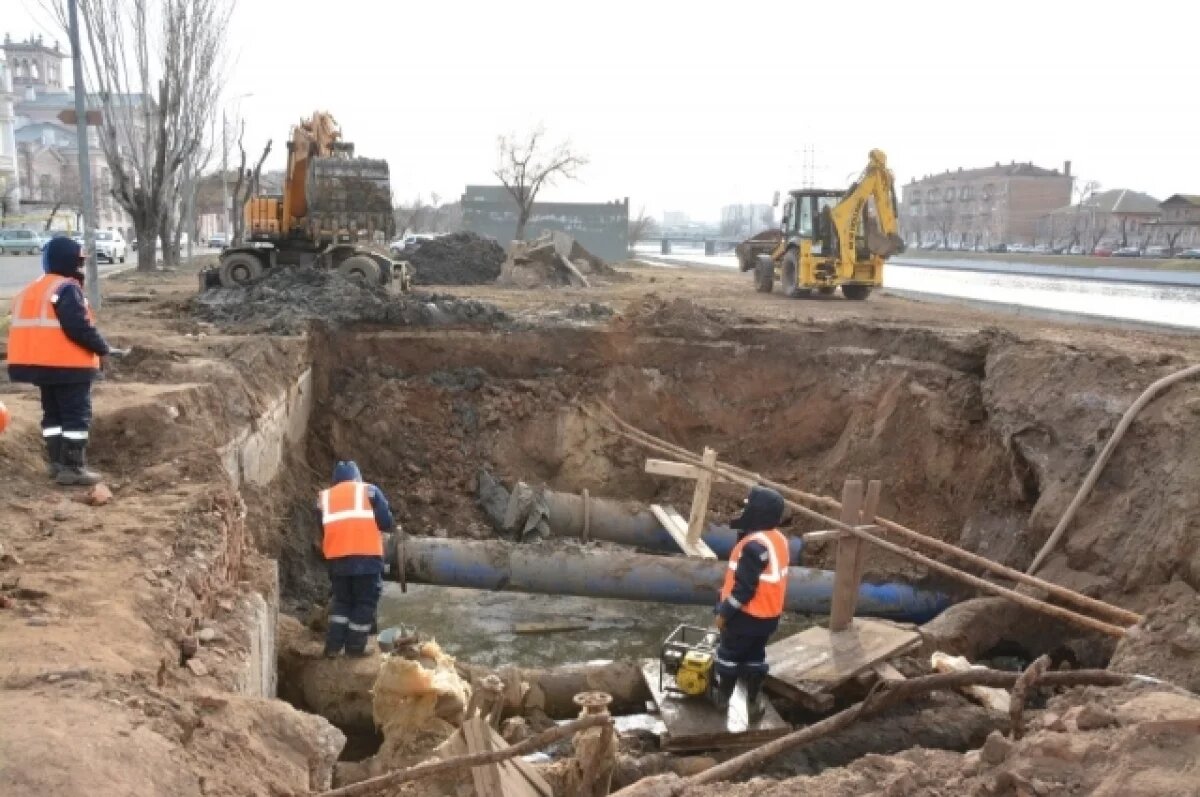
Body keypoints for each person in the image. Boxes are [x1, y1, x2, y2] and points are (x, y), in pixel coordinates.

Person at [6, 236, 126, 485]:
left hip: (40, 366)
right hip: (68, 366)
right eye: (78, 261)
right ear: (69, 260)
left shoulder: (34, 288)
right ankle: (73, 468)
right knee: (75, 416)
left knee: (53, 415)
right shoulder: (66, 288)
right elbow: (78, 327)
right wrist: (103, 349)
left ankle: (57, 463)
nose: (80, 267)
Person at [711, 486, 790, 721]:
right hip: (769, 617)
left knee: (729, 655)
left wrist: (724, 613)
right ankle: (753, 703)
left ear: (756, 512)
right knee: (756, 656)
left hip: (745, 616)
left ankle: (722, 699)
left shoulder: (753, 546)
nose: (743, 510)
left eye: (747, 506)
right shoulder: (778, 540)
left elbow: (744, 589)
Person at [318, 460, 395, 657]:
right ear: (357, 478)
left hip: (337, 560)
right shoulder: (369, 491)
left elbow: (324, 528)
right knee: (364, 603)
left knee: (342, 602)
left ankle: (333, 648)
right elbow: (386, 522)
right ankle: (354, 649)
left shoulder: (324, 498)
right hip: (366, 559)